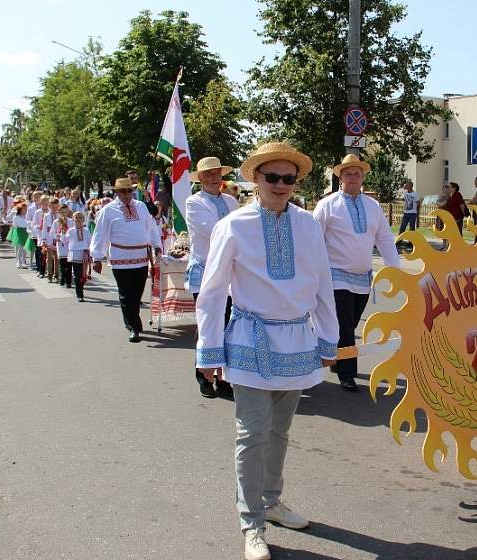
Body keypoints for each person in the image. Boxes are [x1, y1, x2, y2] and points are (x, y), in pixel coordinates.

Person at [195, 142, 338, 560]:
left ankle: (272, 501)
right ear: (255, 179)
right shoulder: (234, 225)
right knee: (251, 433)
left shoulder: (309, 225)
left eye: (288, 178)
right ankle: (251, 522)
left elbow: (322, 283)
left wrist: (328, 337)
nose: (280, 185)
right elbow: (213, 290)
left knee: (280, 431)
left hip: (296, 340)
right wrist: (209, 350)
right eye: (272, 177)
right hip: (249, 340)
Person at [314, 154, 400, 392]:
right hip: (335, 276)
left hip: (363, 278)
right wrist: (313, 273)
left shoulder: (372, 206)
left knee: (348, 325)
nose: (353, 177)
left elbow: (384, 238)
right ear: (340, 177)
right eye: (348, 173)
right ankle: (347, 373)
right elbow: (313, 239)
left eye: (357, 173)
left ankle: (337, 357)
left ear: (363, 177)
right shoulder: (327, 205)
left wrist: (396, 271)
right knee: (343, 326)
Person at [185, 156, 240, 398]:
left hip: (229, 271)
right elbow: (213, 230)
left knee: (228, 324)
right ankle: (204, 374)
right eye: (208, 174)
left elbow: (239, 230)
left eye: (216, 173)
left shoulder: (230, 201)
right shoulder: (194, 202)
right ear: (201, 178)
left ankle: (224, 376)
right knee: (208, 324)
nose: (214, 177)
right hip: (206, 271)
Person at [90, 177, 162, 343]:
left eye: (130, 190)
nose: (127, 194)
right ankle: (133, 327)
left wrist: (157, 245)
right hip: (120, 259)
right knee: (126, 295)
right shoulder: (108, 210)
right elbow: (100, 234)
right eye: (123, 191)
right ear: (117, 192)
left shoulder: (141, 206)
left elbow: (150, 227)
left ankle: (133, 321)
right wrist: (96, 257)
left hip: (141, 258)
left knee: (136, 294)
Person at [67, 211, 92, 302]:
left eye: (80, 217)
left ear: (84, 220)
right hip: (75, 255)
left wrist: (91, 253)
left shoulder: (86, 230)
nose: (78, 219)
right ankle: (80, 294)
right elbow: (65, 240)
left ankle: (80, 290)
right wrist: (60, 236)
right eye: (76, 217)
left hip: (84, 254)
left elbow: (90, 241)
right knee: (77, 275)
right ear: (73, 219)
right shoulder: (70, 230)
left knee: (83, 275)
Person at [6, 200, 29, 269]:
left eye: (26, 209)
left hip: (26, 232)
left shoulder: (27, 217)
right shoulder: (16, 217)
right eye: (24, 209)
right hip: (19, 232)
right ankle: (19, 262)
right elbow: (15, 225)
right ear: (20, 209)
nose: (25, 210)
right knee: (20, 248)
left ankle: (24, 262)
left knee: (25, 249)